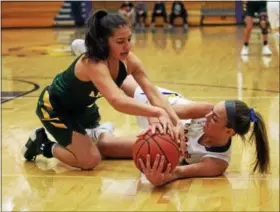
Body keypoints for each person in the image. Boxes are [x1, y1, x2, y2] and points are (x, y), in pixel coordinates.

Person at [22, 10, 185, 170]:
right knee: (90, 161)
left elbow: (153, 93)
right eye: (120, 42)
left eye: (129, 39)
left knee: (98, 147)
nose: (127, 46)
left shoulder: (130, 61)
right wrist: (156, 113)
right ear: (103, 42)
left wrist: (177, 122)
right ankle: (43, 144)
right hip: (55, 108)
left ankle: (85, 138)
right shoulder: (93, 63)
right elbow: (117, 101)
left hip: (84, 109)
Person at [95, 76, 270, 186]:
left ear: (229, 131)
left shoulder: (216, 162)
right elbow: (159, 111)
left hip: (159, 141)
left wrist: (158, 179)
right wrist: (162, 124)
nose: (208, 116)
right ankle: (92, 55)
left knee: (105, 146)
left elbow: (177, 173)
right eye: (212, 111)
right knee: (121, 79)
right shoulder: (205, 109)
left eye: (215, 118)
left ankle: (101, 129)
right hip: (165, 106)